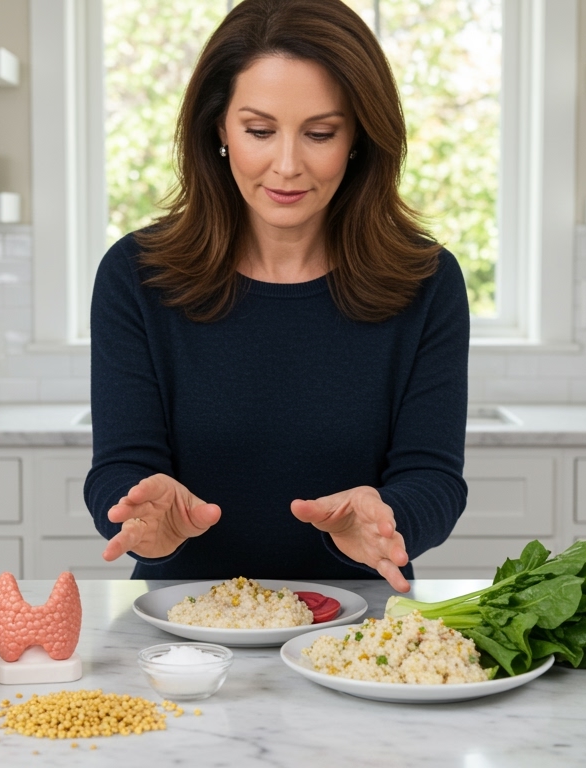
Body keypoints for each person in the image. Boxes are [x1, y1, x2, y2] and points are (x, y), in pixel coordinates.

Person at [83, 0, 469, 593]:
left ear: (360, 137)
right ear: (219, 126)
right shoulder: (136, 276)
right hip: (183, 628)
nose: (286, 165)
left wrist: (394, 521)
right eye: (259, 131)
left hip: (361, 634)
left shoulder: (426, 282)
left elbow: (433, 476)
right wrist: (141, 515)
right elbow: (120, 467)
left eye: (320, 133)